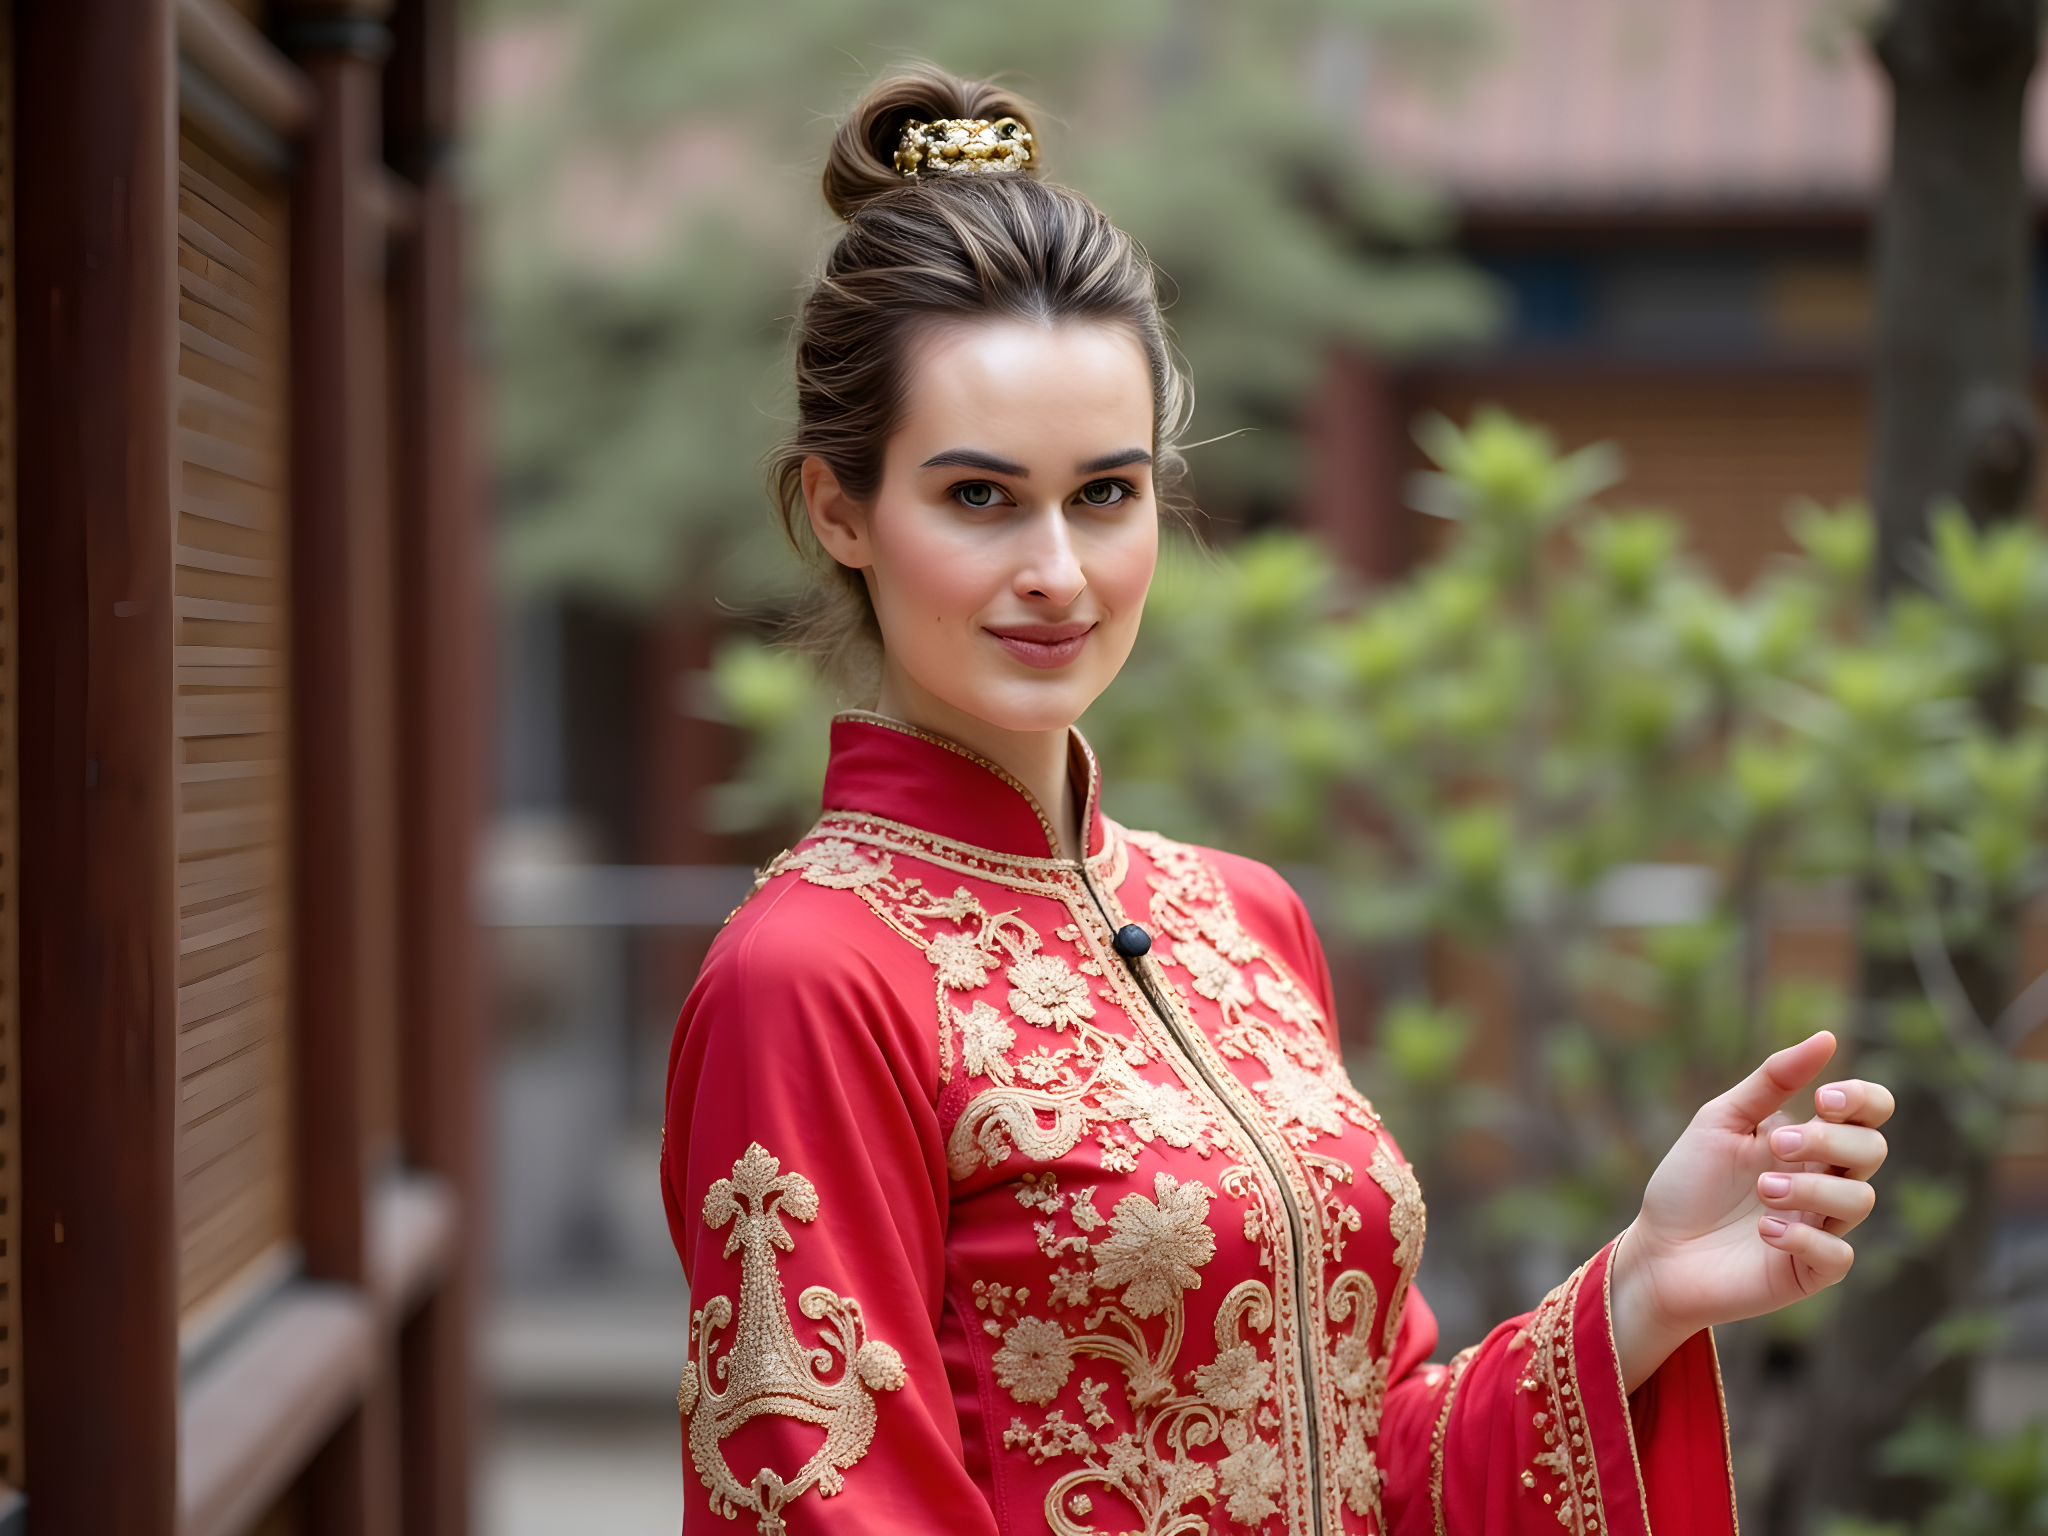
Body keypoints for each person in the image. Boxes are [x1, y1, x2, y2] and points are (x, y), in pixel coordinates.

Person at [661, 66, 1892, 1536]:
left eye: (1106, 494)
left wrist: (1643, 1287)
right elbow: (829, 1506)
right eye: (981, 498)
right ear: (840, 511)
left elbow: (1367, 1457)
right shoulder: (811, 974)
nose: (1058, 567)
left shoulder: (1243, 918)